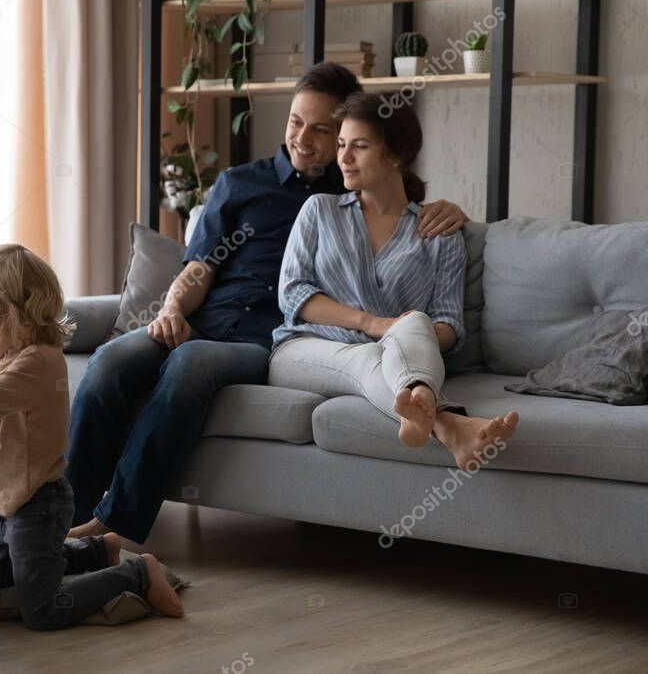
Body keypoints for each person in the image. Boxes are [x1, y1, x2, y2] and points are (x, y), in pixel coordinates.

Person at [66, 63, 471, 544]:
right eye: (297, 121)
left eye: (324, 130)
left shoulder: (346, 193)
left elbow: (404, 207)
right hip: (204, 319)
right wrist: (172, 307)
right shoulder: (241, 183)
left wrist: (455, 211)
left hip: (268, 338)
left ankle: (116, 527)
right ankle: (66, 520)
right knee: (109, 361)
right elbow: (199, 268)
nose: (304, 138)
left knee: (190, 364)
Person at [0, 244, 183, 629]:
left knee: (42, 609)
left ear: (8, 315)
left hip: (35, 505)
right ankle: (96, 551)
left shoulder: (36, 362)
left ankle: (138, 575)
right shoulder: (14, 354)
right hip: (3, 501)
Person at [269, 91, 519, 469]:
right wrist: (376, 325)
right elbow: (292, 296)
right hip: (305, 349)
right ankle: (447, 422)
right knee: (376, 349)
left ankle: (432, 412)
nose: (344, 158)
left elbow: (449, 324)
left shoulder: (439, 233)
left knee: (412, 322)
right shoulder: (319, 211)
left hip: (394, 357)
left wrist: (408, 333)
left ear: (396, 154)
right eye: (341, 145)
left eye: (360, 146)